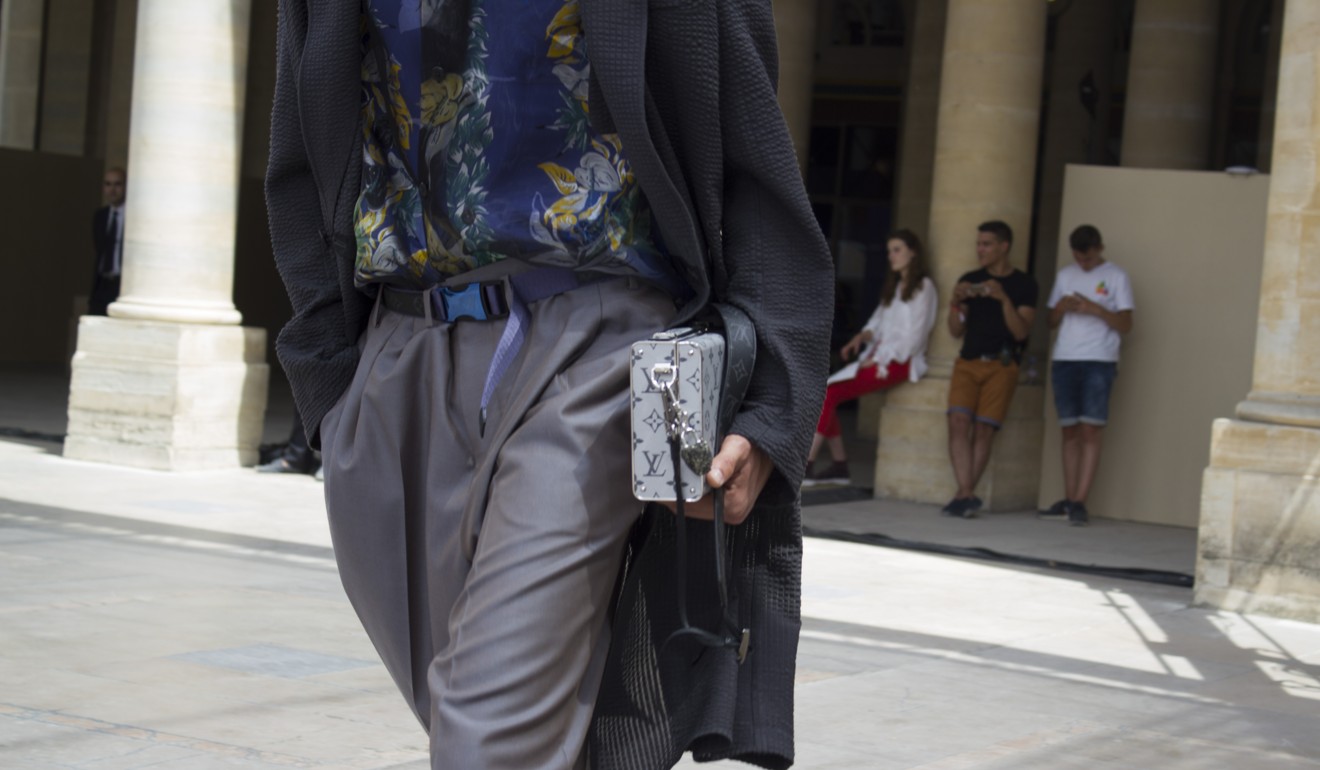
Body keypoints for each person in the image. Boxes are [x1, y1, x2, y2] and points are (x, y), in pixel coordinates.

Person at [265, 2, 833, 769]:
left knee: (486, 740)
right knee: (495, 724)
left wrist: (772, 400)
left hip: (596, 345)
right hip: (394, 353)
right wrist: (334, 387)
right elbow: (300, 155)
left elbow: (752, 156)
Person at [804, 229, 938, 485]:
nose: (891, 256)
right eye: (889, 251)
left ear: (912, 252)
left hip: (898, 363)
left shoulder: (924, 287)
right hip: (878, 358)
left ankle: (808, 465)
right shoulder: (896, 287)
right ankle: (839, 466)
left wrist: (878, 360)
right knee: (829, 393)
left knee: (829, 393)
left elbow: (915, 337)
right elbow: (876, 323)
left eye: (897, 250)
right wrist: (860, 338)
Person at [1038, 225, 1134, 526]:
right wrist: (1062, 308)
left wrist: (1094, 308)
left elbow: (1127, 323)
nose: (1084, 264)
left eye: (1089, 259)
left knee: (1090, 430)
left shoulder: (1117, 276)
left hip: (1099, 360)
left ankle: (1080, 501)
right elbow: (1050, 321)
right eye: (1079, 259)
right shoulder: (1066, 275)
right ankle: (1069, 499)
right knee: (1069, 431)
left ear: (1099, 249)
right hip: (1065, 357)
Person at [943, 220, 1038, 518]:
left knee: (984, 429)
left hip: (1002, 364)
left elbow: (1021, 331)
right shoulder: (971, 278)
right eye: (978, 244)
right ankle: (967, 494)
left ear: (1003, 247)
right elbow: (955, 330)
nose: (980, 250)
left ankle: (963, 496)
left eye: (986, 244)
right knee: (958, 422)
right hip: (968, 361)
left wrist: (1002, 298)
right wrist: (956, 303)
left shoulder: (1024, 284)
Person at [89, 168, 126, 316]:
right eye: (108, 184)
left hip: (122, 284)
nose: (112, 190)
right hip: (102, 284)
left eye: (117, 184)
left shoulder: (133, 216)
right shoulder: (100, 216)